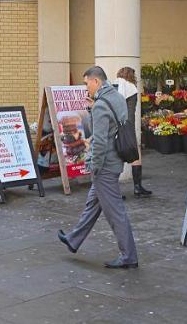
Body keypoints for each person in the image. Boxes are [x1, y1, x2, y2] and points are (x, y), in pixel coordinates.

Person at [57, 66, 138, 269]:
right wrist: (92, 109)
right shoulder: (116, 97)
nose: (86, 88)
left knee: (115, 213)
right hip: (115, 161)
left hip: (105, 166)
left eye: (86, 83)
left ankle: (129, 256)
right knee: (92, 205)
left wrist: (94, 166)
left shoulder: (102, 105)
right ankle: (74, 239)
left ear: (96, 82)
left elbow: (100, 140)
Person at [114, 66, 151, 197]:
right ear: (132, 76)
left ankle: (115, 191)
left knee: (115, 155)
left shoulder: (114, 86)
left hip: (113, 124)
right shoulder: (132, 88)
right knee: (135, 153)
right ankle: (137, 187)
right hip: (127, 125)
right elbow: (131, 112)